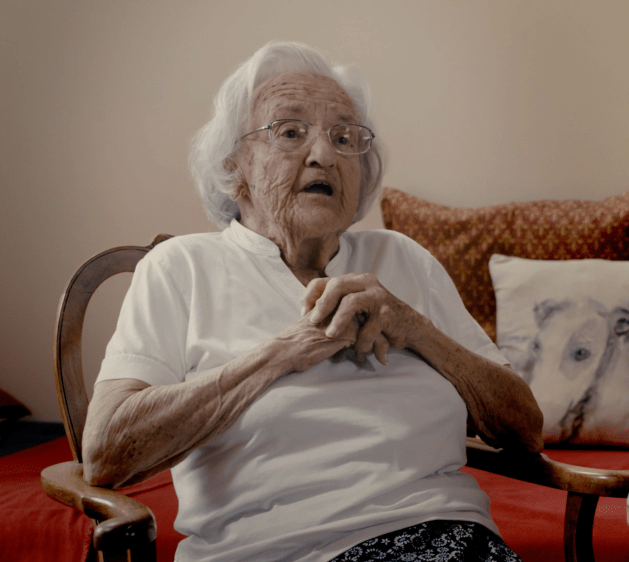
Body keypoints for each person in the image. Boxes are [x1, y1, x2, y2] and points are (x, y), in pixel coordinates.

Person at [81, 40, 544, 562]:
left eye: (344, 138)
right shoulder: (182, 268)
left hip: (456, 540)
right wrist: (280, 354)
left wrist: (414, 328)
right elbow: (105, 452)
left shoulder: (402, 259)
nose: (325, 154)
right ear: (234, 166)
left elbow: (526, 429)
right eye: (290, 132)